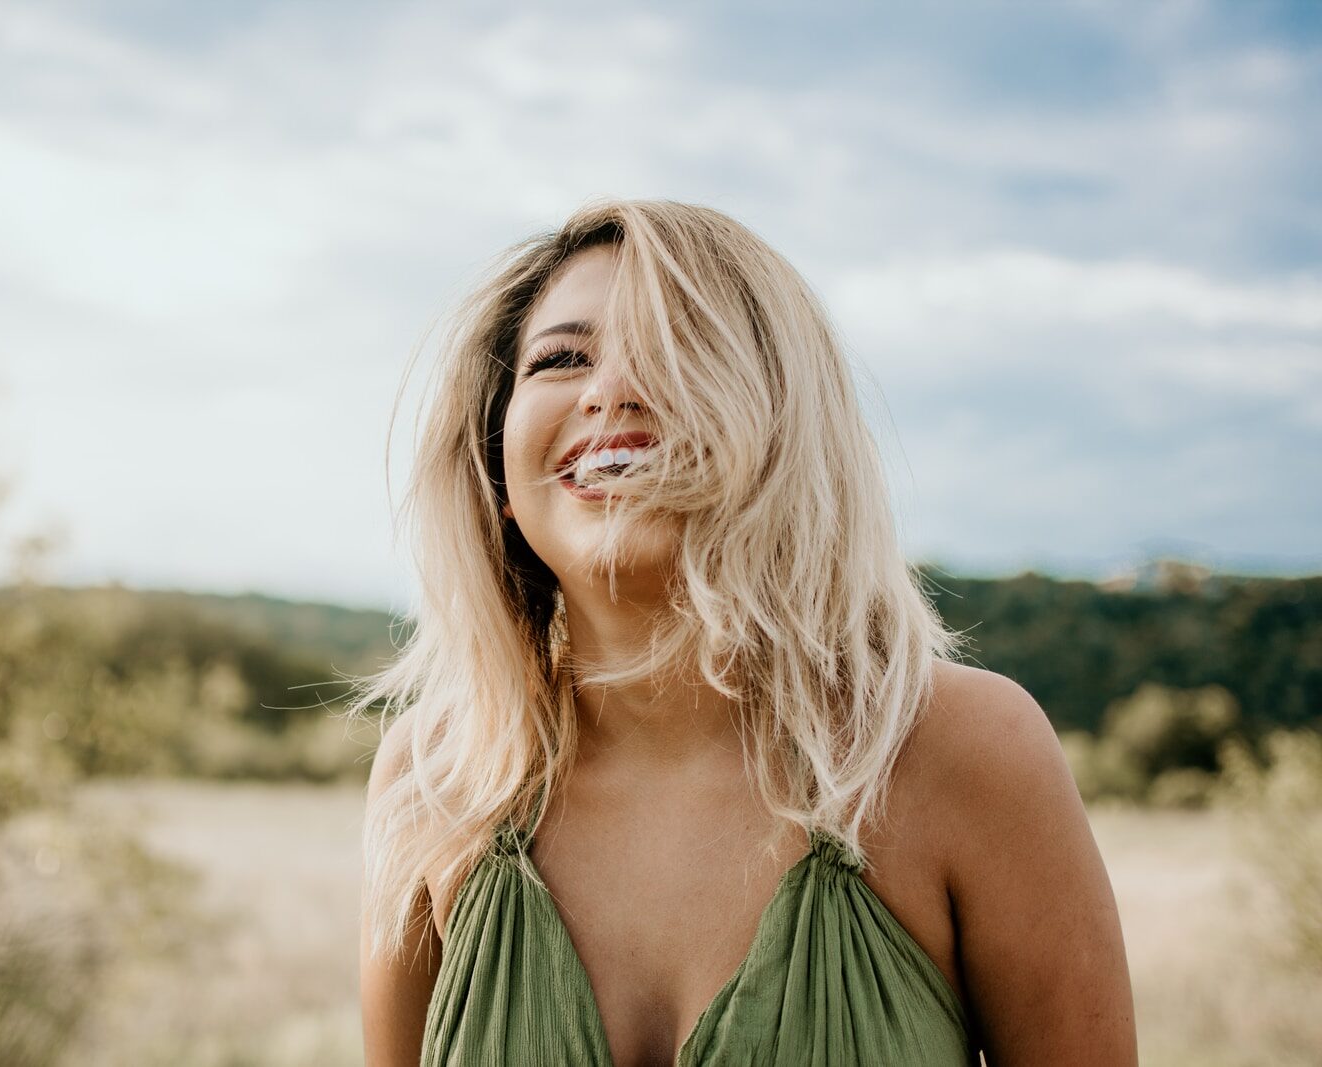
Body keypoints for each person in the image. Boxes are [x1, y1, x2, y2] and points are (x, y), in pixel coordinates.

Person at [355, 198, 1136, 1065]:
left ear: (786, 426)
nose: (610, 388)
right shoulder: (432, 781)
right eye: (561, 358)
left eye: (680, 350)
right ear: (497, 467)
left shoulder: (963, 750)